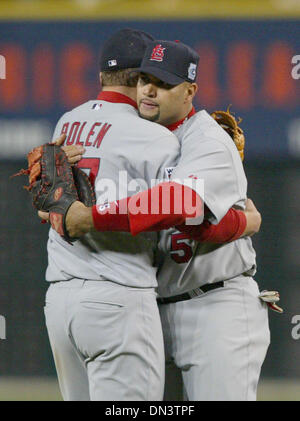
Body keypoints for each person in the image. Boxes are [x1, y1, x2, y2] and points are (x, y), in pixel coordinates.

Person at [43, 40, 268, 400]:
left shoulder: (207, 140)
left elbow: (181, 207)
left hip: (214, 305)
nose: (149, 89)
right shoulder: (136, 138)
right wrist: (52, 200)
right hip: (153, 306)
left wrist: (87, 218)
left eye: (164, 83)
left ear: (190, 91)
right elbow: (67, 206)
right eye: (145, 78)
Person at [43, 28, 182, 401]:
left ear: (102, 76)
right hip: (118, 297)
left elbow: (49, 202)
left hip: (60, 301)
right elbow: (179, 210)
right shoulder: (156, 138)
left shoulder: (66, 123)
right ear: (143, 80)